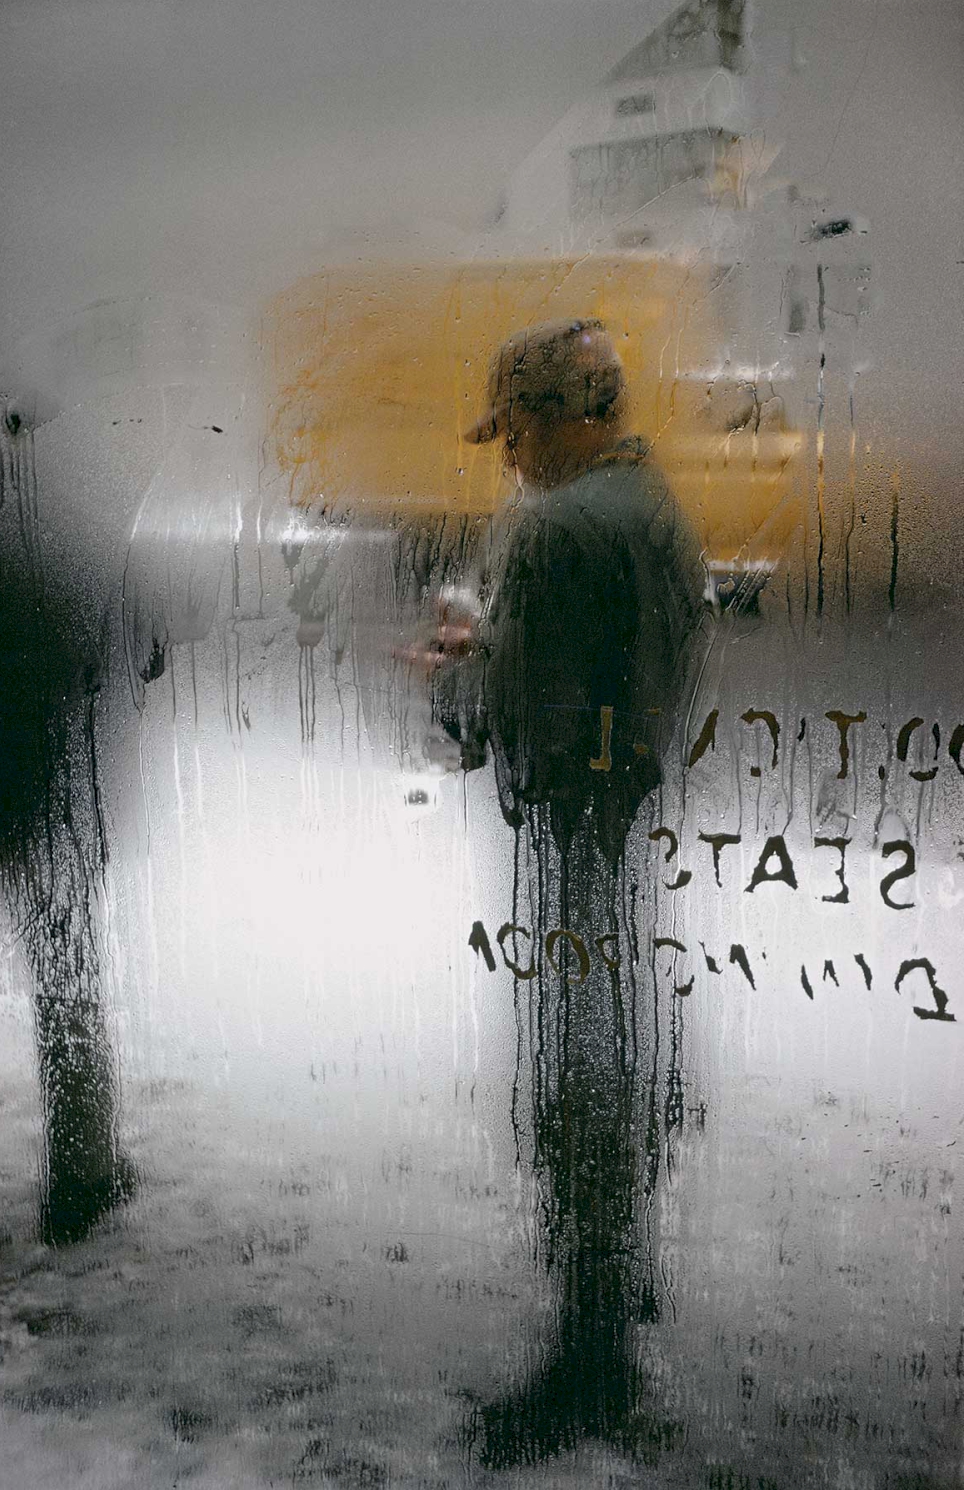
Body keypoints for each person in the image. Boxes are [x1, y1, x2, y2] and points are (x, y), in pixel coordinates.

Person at [440, 320, 708, 1466]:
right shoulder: (656, 508)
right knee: (621, 1054)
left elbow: (512, 712)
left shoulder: (552, 533)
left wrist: (460, 671)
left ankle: (589, 1352)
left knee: (575, 1081)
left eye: (515, 431)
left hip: (570, 832)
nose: (507, 458)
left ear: (563, 416)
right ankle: (625, 1270)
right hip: (632, 812)